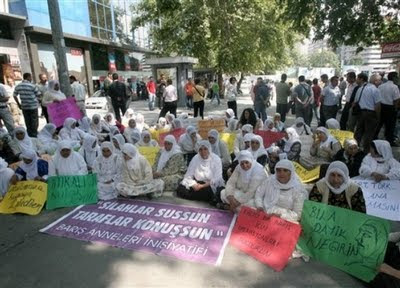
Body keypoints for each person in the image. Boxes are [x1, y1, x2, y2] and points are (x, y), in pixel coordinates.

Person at [177, 140, 224, 204]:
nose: (203, 152)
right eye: (200, 150)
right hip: (197, 182)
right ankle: (202, 197)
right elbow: (189, 174)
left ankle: (200, 196)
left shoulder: (216, 159)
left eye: (205, 149)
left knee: (208, 192)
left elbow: (217, 178)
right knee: (181, 188)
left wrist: (202, 186)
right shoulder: (196, 158)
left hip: (210, 184)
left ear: (209, 149)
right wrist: (193, 184)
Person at [353, 73, 382, 153]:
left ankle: (354, 148)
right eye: (380, 80)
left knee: (358, 132)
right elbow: (377, 105)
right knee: (369, 134)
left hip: (361, 113)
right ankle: (366, 151)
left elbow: (355, 102)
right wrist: (378, 116)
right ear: (375, 81)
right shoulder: (375, 90)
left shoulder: (360, 89)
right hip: (371, 114)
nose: (381, 82)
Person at [13, 73, 41, 137]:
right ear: (28, 77)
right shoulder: (32, 86)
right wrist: (38, 100)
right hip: (33, 106)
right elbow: (38, 94)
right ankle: (34, 134)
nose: (31, 78)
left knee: (27, 121)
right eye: (31, 77)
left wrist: (18, 104)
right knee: (34, 121)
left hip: (24, 107)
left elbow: (14, 95)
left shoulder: (18, 86)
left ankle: (29, 134)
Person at [376, 71, 400, 145]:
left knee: (379, 123)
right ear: (394, 78)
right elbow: (396, 99)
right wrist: (395, 108)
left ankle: (374, 136)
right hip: (390, 107)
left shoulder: (381, 86)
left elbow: (377, 97)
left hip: (381, 106)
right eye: (397, 77)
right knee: (390, 126)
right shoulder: (395, 87)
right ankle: (389, 140)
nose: (398, 78)